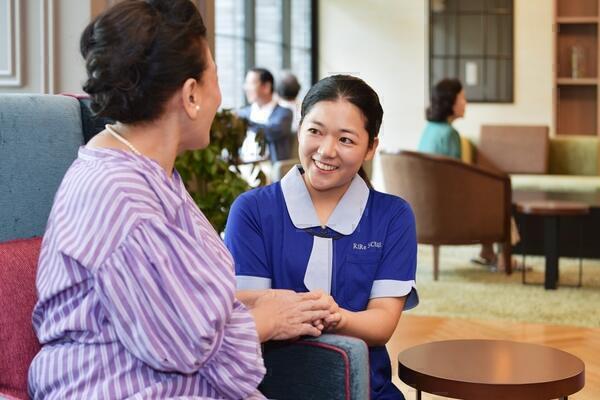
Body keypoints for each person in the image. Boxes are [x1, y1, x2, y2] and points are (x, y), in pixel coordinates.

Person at [28, 1, 334, 399]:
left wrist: (260, 298)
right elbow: (186, 343)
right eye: (216, 79)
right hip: (114, 385)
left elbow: (172, 301)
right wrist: (267, 319)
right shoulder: (122, 195)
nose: (220, 98)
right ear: (191, 95)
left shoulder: (145, 170)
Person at [225, 75, 419, 399]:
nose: (326, 151)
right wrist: (312, 309)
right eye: (315, 131)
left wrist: (334, 316)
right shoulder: (252, 211)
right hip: (269, 390)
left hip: (367, 390)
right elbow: (247, 309)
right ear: (299, 130)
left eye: (346, 140)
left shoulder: (393, 216)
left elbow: (382, 323)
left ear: (371, 147)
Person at [238, 68, 294, 162]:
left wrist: (245, 122)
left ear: (266, 87)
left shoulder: (284, 113)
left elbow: (271, 131)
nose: (246, 88)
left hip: (270, 171)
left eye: (250, 83)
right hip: (242, 167)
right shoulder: (244, 112)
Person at [418, 78, 465, 159]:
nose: (465, 103)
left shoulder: (429, 127)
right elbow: (456, 171)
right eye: (462, 98)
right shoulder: (450, 133)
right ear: (451, 101)